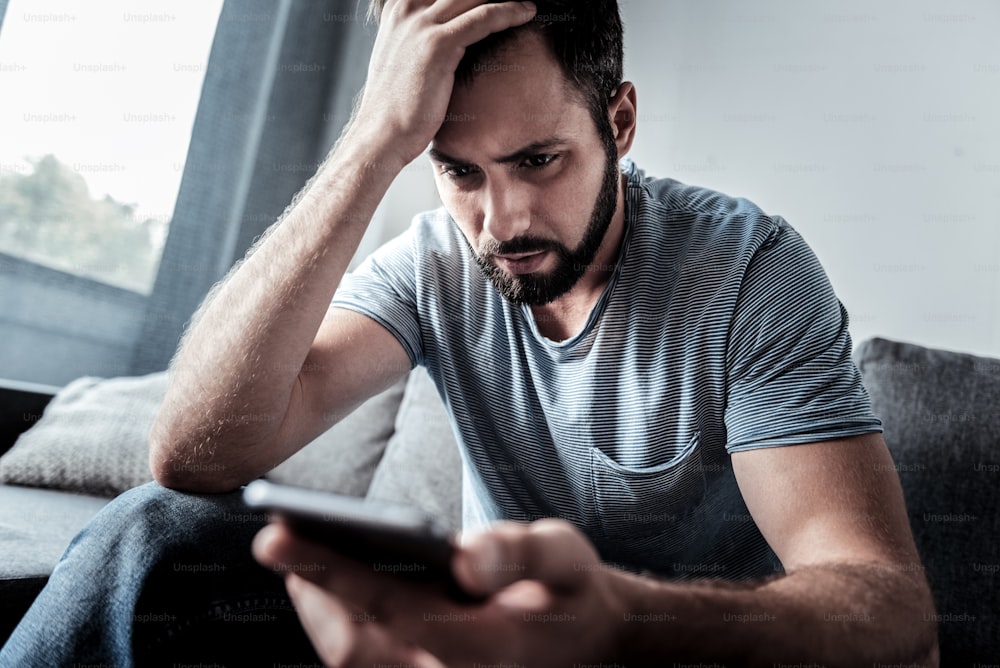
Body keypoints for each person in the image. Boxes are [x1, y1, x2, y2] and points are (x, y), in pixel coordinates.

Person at [1, 0, 938, 665]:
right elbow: (196, 453)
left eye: (540, 160)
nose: (503, 220)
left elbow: (890, 608)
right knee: (152, 533)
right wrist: (374, 140)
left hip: (674, 649)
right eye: (459, 171)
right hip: (470, 650)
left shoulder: (748, 271)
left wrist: (622, 620)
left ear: (620, 119)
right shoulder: (436, 263)